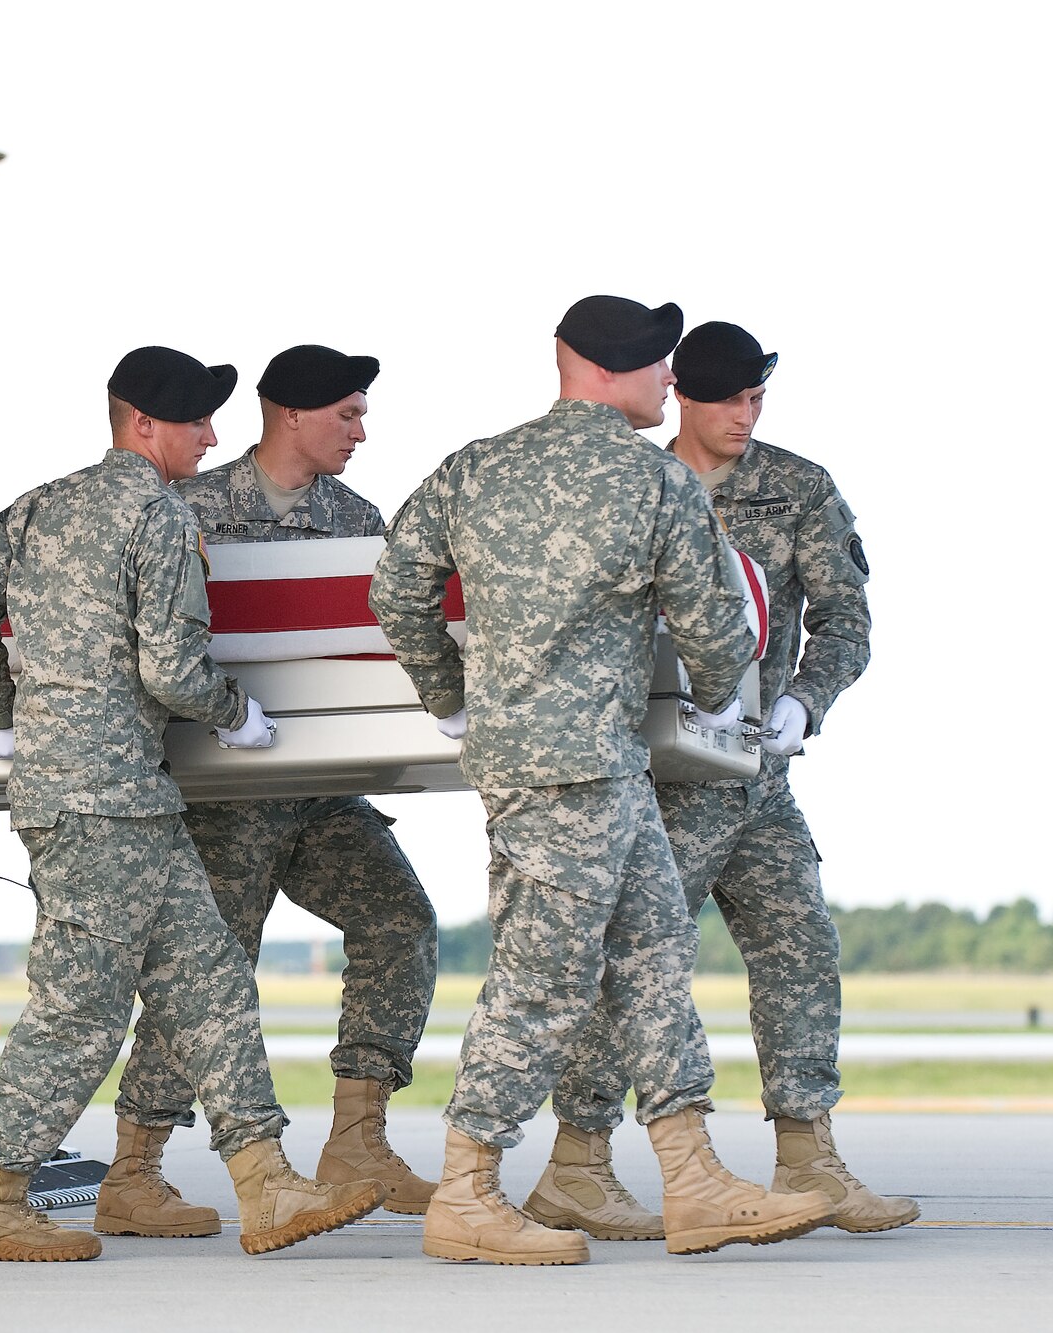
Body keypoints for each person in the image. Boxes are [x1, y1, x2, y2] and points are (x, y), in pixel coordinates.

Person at [370, 296, 833, 1264]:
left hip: (562, 765)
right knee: (539, 981)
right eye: (658, 363)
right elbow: (718, 632)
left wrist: (451, 697)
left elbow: (394, 589)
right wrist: (721, 701)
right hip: (580, 771)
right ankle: (465, 1191)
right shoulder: (652, 478)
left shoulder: (473, 467)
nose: (669, 378)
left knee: (654, 951)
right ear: (611, 369)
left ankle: (693, 1178)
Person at [0, 345, 382, 1262]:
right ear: (142, 424)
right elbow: (173, 671)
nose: (211, 437)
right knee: (80, 1009)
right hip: (106, 802)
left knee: (210, 979)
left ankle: (265, 1181)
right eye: (194, 421)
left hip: (109, 798)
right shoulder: (160, 515)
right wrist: (236, 712)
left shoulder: (36, 506)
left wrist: (5, 711)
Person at [534, 321, 912, 1237]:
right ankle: (576, 1161)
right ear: (685, 399)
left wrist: (807, 702)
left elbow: (845, 619)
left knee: (800, 947)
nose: (747, 415)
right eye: (731, 400)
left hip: (756, 774)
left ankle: (809, 1155)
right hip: (657, 779)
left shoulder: (796, 488)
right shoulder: (632, 484)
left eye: (757, 398)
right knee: (636, 964)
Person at [108, 345, 439, 1238]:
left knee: (400, 919)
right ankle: (133, 1168)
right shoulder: (191, 505)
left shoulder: (360, 520)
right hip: (226, 792)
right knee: (211, 968)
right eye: (348, 414)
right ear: (291, 413)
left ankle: (358, 1140)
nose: (361, 431)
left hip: (322, 788)